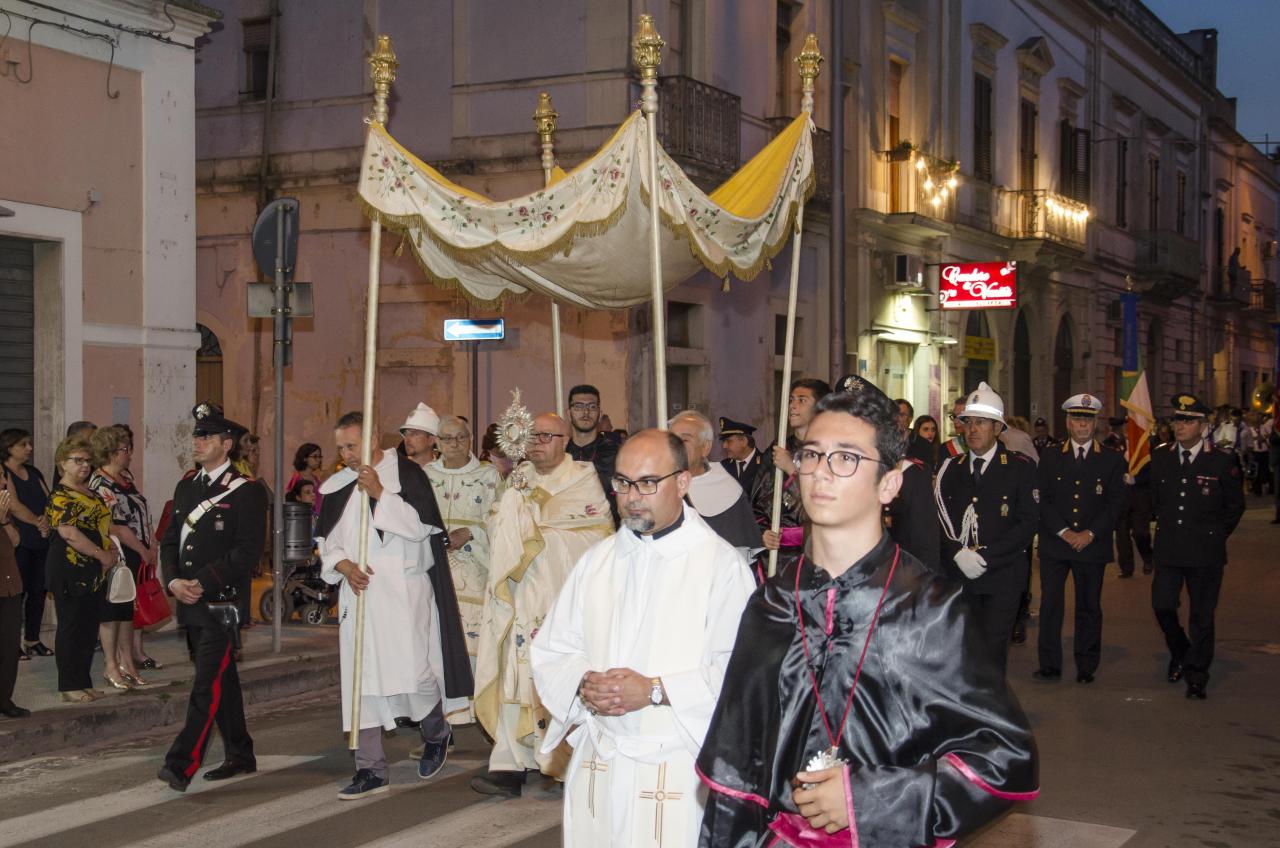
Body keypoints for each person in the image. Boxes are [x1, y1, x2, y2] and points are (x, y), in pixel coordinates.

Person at [697, 375, 1038, 846]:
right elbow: (735, 775)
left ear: (889, 484)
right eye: (812, 455)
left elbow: (1006, 760)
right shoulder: (771, 603)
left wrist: (871, 798)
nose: (821, 472)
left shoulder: (929, 610)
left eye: (846, 458)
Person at [531, 429, 754, 846]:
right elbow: (554, 648)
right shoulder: (598, 561)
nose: (632, 496)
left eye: (648, 483)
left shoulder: (720, 567)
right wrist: (583, 682)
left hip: (676, 762)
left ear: (683, 482)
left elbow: (739, 675)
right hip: (601, 757)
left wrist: (654, 690)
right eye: (622, 482)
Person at [316, 410, 473, 798]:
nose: (346, 455)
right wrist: (344, 565)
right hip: (360, 594)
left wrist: (380, 495)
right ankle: (370, 768)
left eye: (352, 445)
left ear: (372, 438)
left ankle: (436, 732)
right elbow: (328, 542)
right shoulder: (338, 485)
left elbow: (422, 529)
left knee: (416, 676)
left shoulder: (406, 474)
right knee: (361, 683)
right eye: (341, 448)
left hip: (403, 590)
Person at [471, 412, 613, 797]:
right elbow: (494, 524)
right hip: (520, 593)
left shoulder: (582, 478)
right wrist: (512, 511)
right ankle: (510, 762)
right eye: (532, 436)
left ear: (565, 440)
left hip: (560, 597)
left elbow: (599, 535)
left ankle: (566, 763)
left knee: (561, 678)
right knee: (515, 672)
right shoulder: (519, 478)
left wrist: (536, 530)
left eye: (547, 436)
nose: (537, 443)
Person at [156, 404, 267, 792]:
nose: (197, 442)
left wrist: (201, 582)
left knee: (206, 684)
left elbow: (246, 552)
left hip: (221, 604)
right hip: (189, 600)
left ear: (226, 444)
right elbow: (170, 540)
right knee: (223, 680)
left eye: (206, 437)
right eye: (196, 436)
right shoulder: (187, 485)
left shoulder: (248, 491)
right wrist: (173, 581)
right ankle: (240, 753)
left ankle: (180, 764)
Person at [934, 382, 1039, 673]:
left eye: (981, 422)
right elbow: (939, 519)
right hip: (959, 577)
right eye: (968, 422)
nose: (972, 429)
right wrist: (957, 553)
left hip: (1001, 577)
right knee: (962, 653)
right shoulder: (950, 469)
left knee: (991, 654)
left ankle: (990, 702)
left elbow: (1027, 523)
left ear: (997, 428)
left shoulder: (1020, 468)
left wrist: (984, 557)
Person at [1150, 393, 1245, 700]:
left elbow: (1235, 506)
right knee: (1162, 605)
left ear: (1203, 426)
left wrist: (1215, 535)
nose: (1180, 426)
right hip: (1169, 548)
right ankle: (1181, 650)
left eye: (1188, 421)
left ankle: (1196, 675)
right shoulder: (1161, 456)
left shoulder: (1222, 460)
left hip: (1205, 552)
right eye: (1177, 420)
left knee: (1202, 617)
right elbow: (1155, 500)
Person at [1033, 394, 1127, 684]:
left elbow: (1116, 503)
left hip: (1091, 544)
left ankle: (1086, 665)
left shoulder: (1112, 459)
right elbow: (1042, 499)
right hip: (1055, 543)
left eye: (1087, 419)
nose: (1082, 425)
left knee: (1089, 606)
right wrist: (1064, 532)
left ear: (1095, 423)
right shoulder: (1050, 456)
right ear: (1067, 422)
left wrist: (1090, 533)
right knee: (1051, 605)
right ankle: (1050, 664)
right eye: (1077, 419)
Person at [425, 414, 504, 726]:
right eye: (447, 438)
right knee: (434, 645)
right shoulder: (426, 475)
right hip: (434, 572)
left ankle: (477, 710)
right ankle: (439, 724)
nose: (455, 444)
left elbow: (501, 520)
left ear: (470, 440)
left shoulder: (488, 476)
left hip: (474, 572)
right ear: (437, 443)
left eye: (461, 437)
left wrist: (472, 532)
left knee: (472, 642)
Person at [44, 437, 115, 704]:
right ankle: (69, 685)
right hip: (69, 567)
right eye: (78, 460)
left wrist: (110, 548)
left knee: (88, 628)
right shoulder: (60, 495)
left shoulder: (90, 492)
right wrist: (100, 553)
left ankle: (83, 681)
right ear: (62, 463)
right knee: (71, 627)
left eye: (87, 460)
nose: (85, 465)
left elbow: (101, 526)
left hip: (94, 569)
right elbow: (69, 533)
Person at [87, 425, 153, 689]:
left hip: (135, 552)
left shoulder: (124, 479)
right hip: (118, 554)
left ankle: (127, 662)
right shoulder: (101, 483)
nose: (129, 454)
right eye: (125, 449)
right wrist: (142, 549)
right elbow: (116, 526)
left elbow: (141, 514)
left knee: (126, 611)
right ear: (111, 452)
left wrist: (151, 543)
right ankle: (111, 665)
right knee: (111, 610)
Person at [752, 377, 831, 557]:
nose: (792, 406)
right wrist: (763, 532)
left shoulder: (829, 452)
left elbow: (824, 507)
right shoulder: (778, 448)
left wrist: (792, 469)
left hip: (813, 552)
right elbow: (757, 501)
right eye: (791, 400)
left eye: (802, 400)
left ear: (820, 408)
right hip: (776, 556)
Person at [670, 411, 759, 551]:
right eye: (671, 440)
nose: (675, 446)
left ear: (705, 447)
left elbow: (738, 552)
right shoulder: (657, 484)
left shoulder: (727, 489)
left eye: (685, 440)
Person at [0, 429, 52, 660]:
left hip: (41, 539)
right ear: (9, 447)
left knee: (39, 590)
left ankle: (32, 639)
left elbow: (49, 499)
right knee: (16, 594)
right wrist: (37, 522)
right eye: (23, 444)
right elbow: (12, 505)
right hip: (19, 541)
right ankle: (12, 643)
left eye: (29, 443)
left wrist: (46, 521)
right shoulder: (3, 472)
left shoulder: (33, 471)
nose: (29, 448)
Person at [884, 387, 941, 574]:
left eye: (903, 415)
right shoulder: (882, 444)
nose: (899, 419)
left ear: (909, 418)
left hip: (913, 514)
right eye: (896, 415)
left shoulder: (921, 448)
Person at [565, 385, 621, 525]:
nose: (586, 412)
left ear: (600, 414)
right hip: (567, 529)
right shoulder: (561, 453)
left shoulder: (618, 453)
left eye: (592, 406)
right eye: (579, 406)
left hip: (608, 529)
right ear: (569, 413)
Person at [1, 473, 30, 717]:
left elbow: (16, 541)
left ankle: (4, 700)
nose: (3, 482)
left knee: (9, 646)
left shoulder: (4, 509)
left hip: (9, 585)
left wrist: (3, 521)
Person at [718, 417, 762, 494]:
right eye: (724, 441)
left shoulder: (766, 464)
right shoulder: (723, 466)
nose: (724, 446)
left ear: (743, 441)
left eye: (728, 441)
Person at [400, 402, 440, 469]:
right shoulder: (398, 469)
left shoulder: (444, 473)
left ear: (431, 440)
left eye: (414, 433)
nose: (407, 439)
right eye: (406, 434)